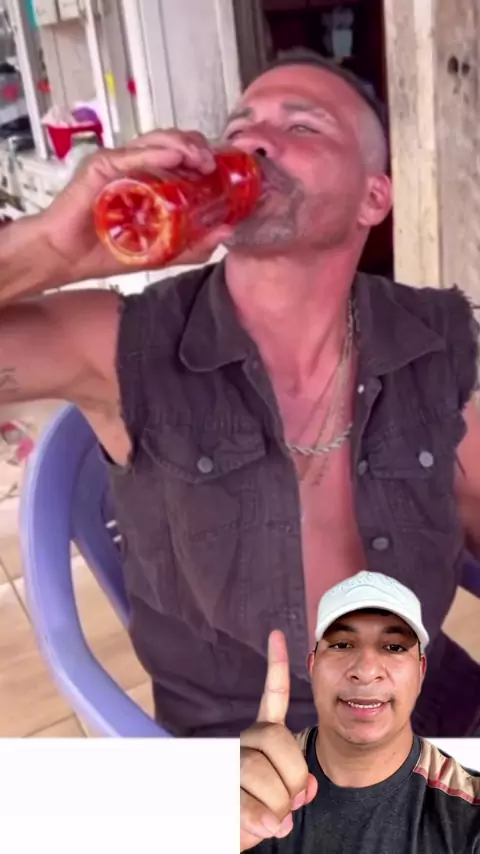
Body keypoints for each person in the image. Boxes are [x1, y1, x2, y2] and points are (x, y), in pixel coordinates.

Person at [1, 47, 480, 737]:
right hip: (257, 754)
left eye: (303, 126)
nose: (254, 140)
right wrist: (53, 246)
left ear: (373, 197)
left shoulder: (428, 341)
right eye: (240, 126)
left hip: (434, 706)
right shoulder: (122, 345)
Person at [240, 572, 480, 853]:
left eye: (394, 647)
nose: (366, 671)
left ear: (420, 671)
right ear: (313, 667)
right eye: (342, 645)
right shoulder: (242, 795)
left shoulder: (470, 810)